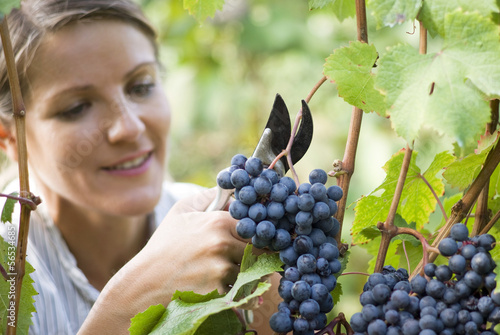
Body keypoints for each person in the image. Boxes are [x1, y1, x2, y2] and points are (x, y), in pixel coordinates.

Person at [0, 0, 280, 334]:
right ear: (10, 140)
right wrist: (131, 300)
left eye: (141, 86)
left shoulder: (224, 232)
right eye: (76, 107)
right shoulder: (8, 273)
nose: (129, 127)